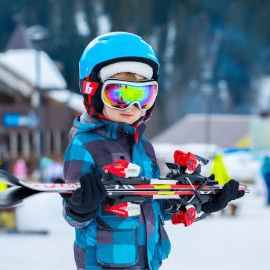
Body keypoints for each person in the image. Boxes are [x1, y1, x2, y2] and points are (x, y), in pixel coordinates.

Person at [58, 32, 245, 270]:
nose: (132, 107)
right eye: (119, 95)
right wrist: (80, 207)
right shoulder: (84, 145)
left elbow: (154, 205)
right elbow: (72, 216)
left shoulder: (144, 147)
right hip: (105, 264)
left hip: (148, 263)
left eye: (142, 96)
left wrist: (198, 201)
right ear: (93, 91)